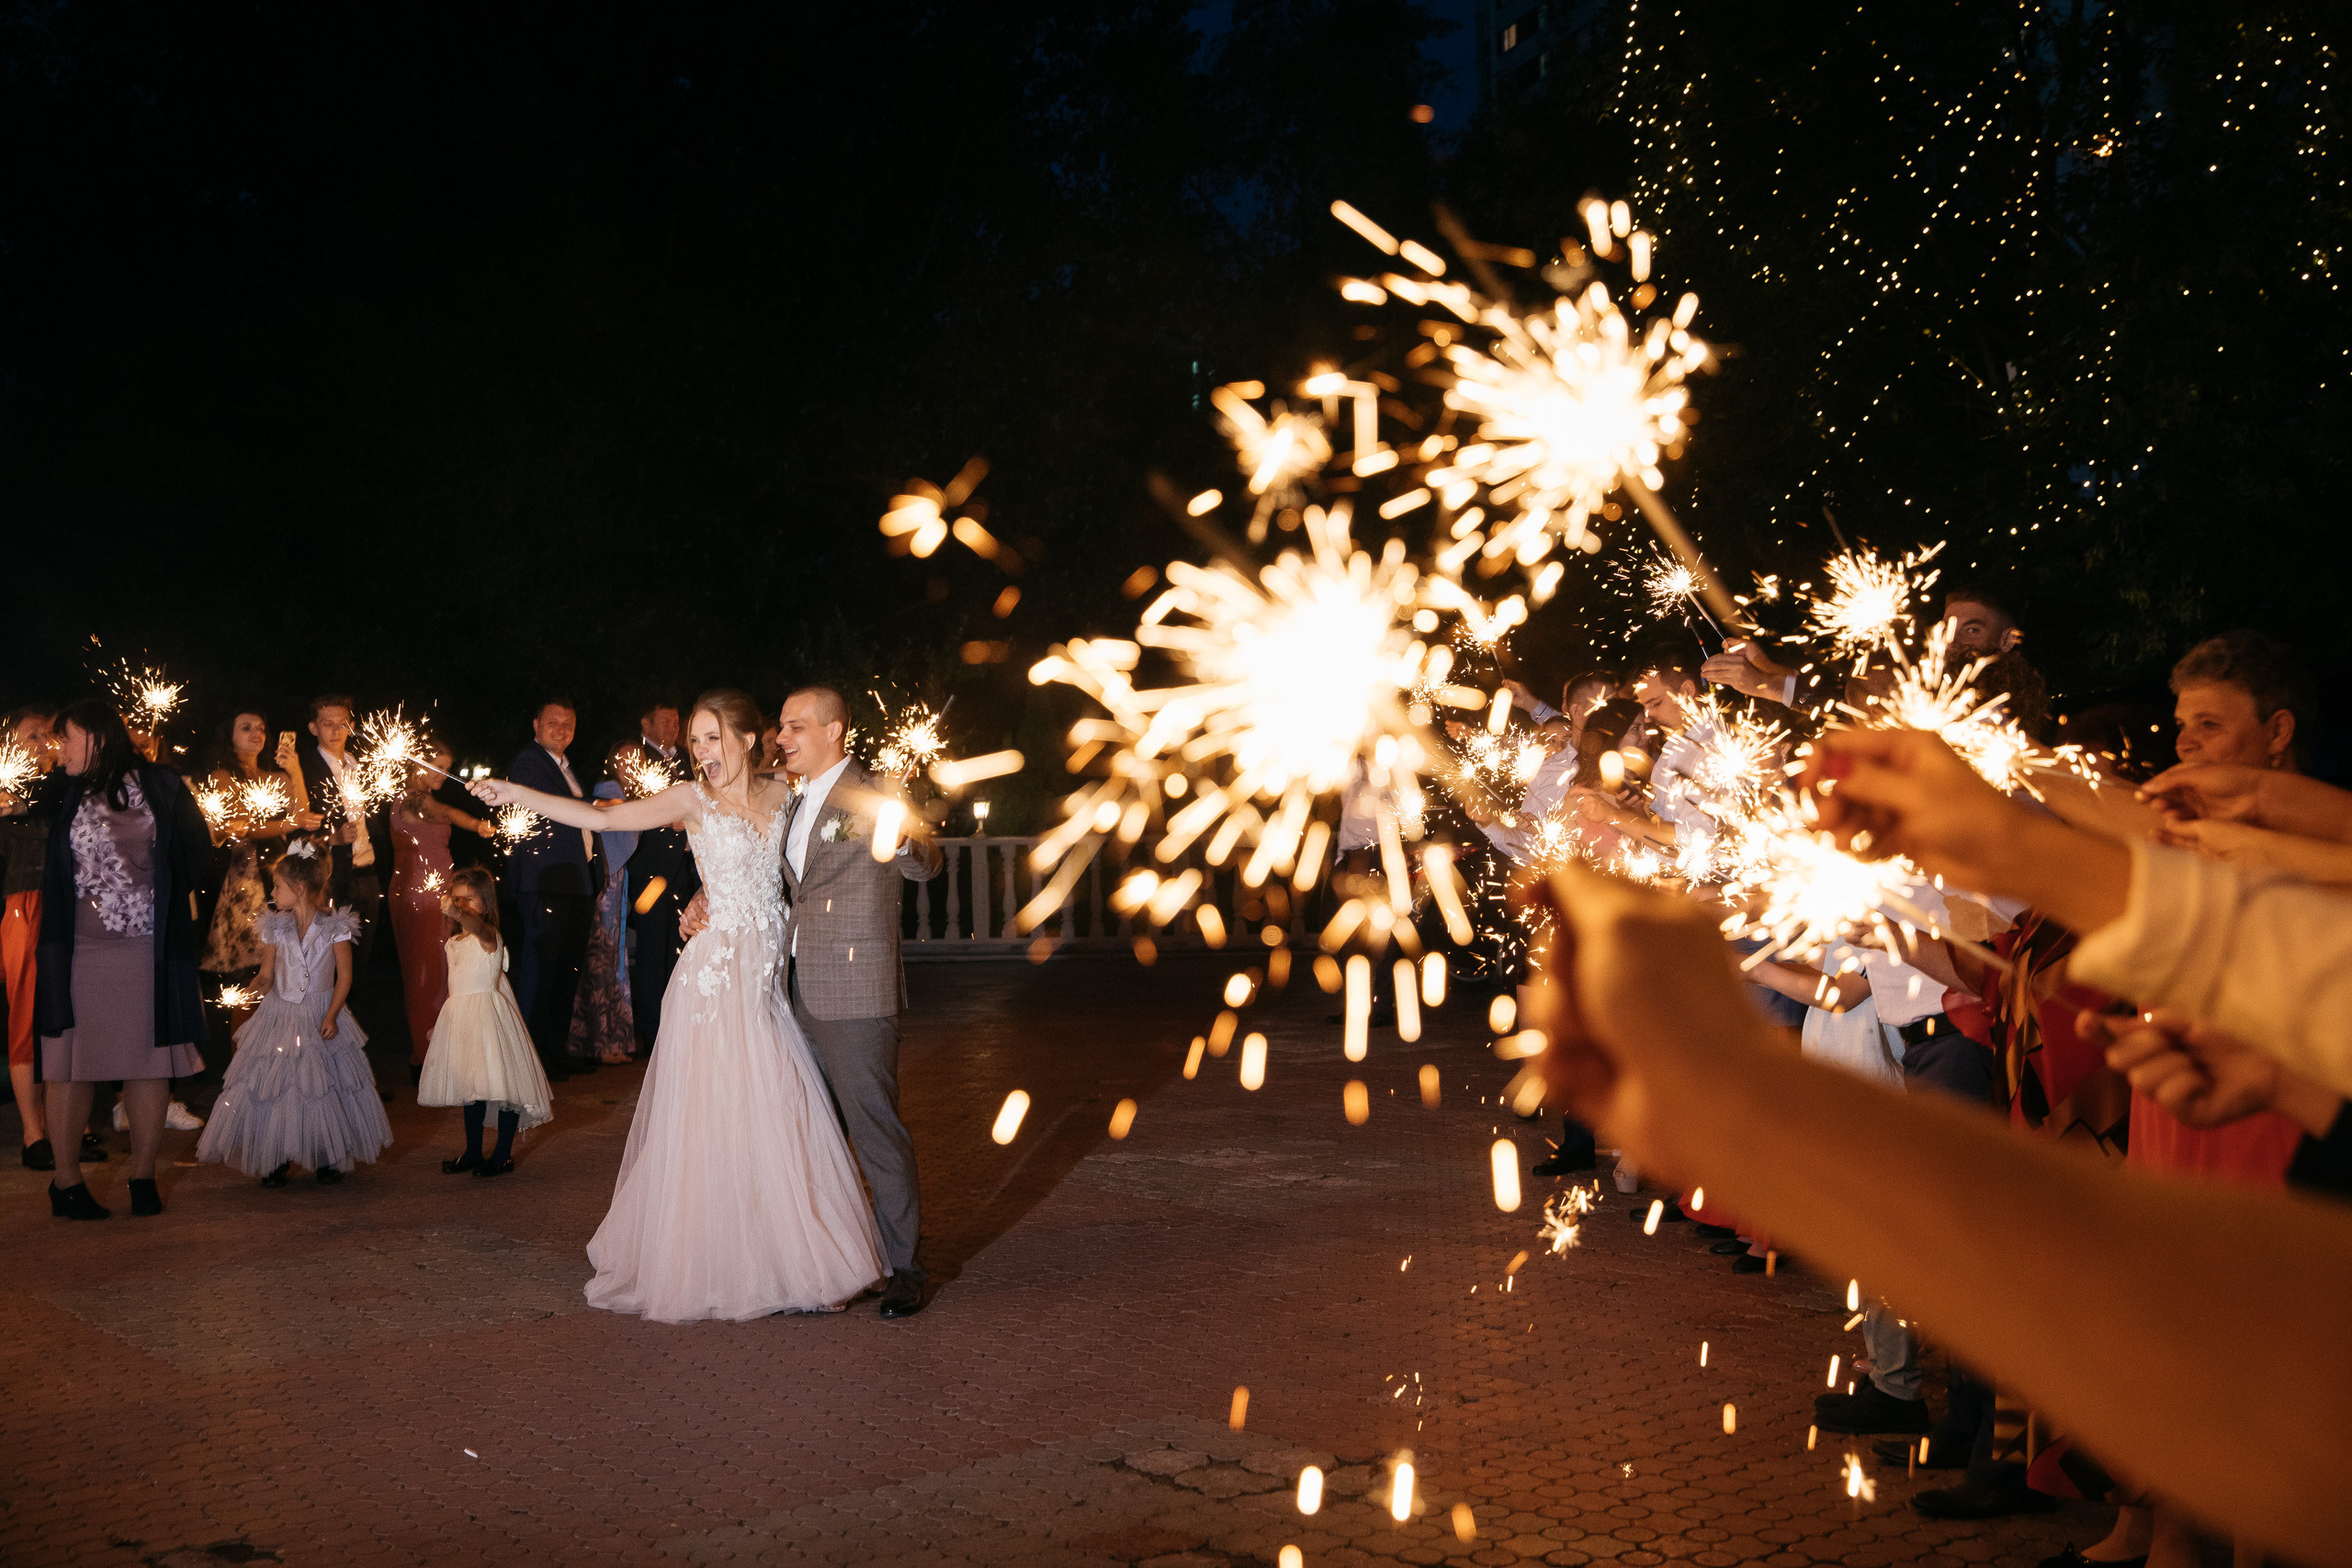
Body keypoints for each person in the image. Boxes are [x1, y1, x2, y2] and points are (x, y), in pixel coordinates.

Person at [473, 689, 892, 1321]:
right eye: (694, 740)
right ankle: (729, 1263)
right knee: (730, 1108)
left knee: (779, 1107)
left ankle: (797, 1258)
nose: (700, 752)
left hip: (768, 972)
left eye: (711, 738)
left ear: (749, 740)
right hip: (716, 978)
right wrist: (517, 794)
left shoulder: (786, 792)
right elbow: (605, 818)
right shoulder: (691, 799)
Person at [28, 701, 211, 1219]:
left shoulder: (161, 785)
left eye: (65, 738)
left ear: (97, 738)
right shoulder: (59, 792)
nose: (57, 750)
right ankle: (65, 1183)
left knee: (148, 1064)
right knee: (69, 1064)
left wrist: (165, 900)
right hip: (77, 950)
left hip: (144, 949)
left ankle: (143, 1178)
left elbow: (196, 849)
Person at [195, 841, 390, 1186]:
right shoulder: (276, 926)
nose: (272, 892)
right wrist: (259, 982)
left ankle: (326, 1155)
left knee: (322, 1087)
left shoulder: (335, 926)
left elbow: (344, 976)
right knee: (278, 1085)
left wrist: (331, 1015)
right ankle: (276, 1156)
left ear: (298, 889)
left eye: (277, 886)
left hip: (320, 1013)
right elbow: (269, 972)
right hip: (281, 1014)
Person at [418, 866, 552, 1178]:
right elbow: (456, 987)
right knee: (472, 1087)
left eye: (470, 900)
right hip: (462, 1021)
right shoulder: (454, 942)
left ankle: (503, 1154)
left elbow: (477, 927)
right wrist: (441, 1024)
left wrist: (460, 913)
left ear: (487, 904)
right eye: (457, 900)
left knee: (500, 1086)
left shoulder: (488, 934)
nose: (462, 906)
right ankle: (473, 1152)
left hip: (489, 1021)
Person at [504, 699, 602, 1080]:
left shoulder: (564, 766)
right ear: (536, 724)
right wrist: (598, 804)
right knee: (539, 972)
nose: (561, 729)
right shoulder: (530, 761)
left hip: (574, 882)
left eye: (568, 723)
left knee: (566, 971)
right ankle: (528, 1061)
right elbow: (556, 806)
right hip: (545, 883)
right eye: (553, 722)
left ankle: (554, 1049)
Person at [389, 737, 490, 1074]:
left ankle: (443, 1053)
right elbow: (442, 812)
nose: (443, 776)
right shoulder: (413, 801)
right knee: (426, 975)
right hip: (420, 897)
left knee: (444, 972)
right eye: (437, 767)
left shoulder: (423, 798)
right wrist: (476, 824)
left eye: (447, 769)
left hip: (437, 894)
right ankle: (426, 1057)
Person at [198, 710, 317, 976]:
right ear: (229, 737)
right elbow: (244, 828)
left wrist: (295, 770)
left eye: (261, 728)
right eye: (246, 728)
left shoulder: (276, 778)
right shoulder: (222, 777)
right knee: (253, 963)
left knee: (287, 962)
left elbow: (302, 811)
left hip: (280, 871)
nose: (257, 733)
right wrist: (291, 823)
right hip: (244, 878)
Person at [2, 705, 61, 1168]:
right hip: (24, 904)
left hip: (65, 907)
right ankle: (33, 1132)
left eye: (48, 734)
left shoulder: (61, 788)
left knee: (62, 1014)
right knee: (27, 1013)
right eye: (32, 735)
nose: (43, 743)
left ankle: (66, 1124)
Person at [294, 695, 391, 965]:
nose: (336, 730)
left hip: (369, 874)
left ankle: (352, 1007)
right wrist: (331, 838)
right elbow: (294, 832)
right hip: (331, 879)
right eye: (328, 724)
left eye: (343, 723)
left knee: (361, 961)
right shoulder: (303, 770)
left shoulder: (361, 765)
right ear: (314, 728)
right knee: (327, 964)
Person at [564, 742, 638, 1065]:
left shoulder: (631, 791)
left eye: (636, 760)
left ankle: (612, 1040)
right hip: (606, 881)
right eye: (623, 759)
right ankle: (598, 1040)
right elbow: (609, 814)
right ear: (612, 762)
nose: (630, 764)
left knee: (613, 959)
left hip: (617, 881)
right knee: (601, 958)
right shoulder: (608, 790)